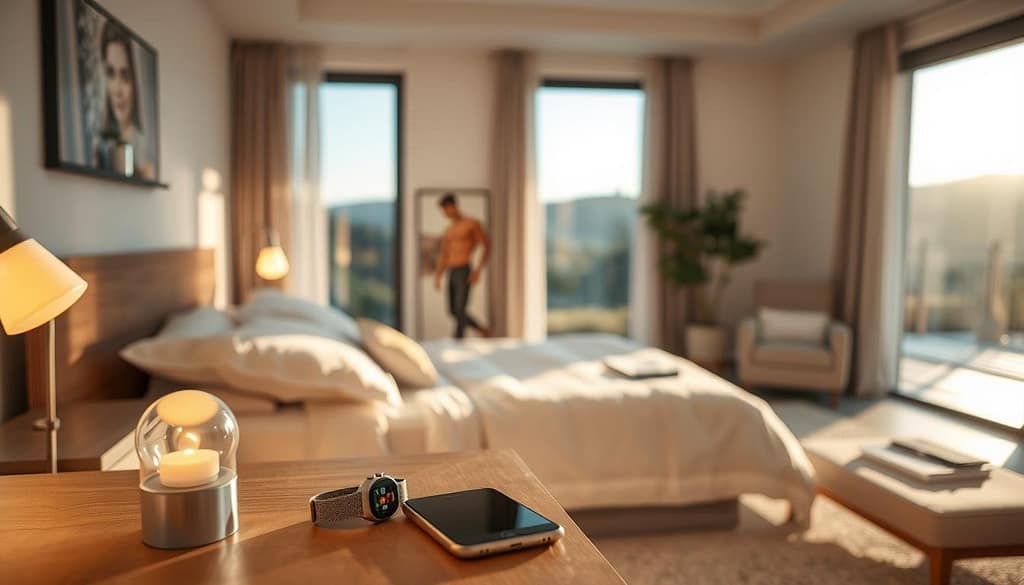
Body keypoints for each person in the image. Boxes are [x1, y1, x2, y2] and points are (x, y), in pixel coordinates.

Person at [94, 20, 155, 180]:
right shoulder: (101, 143)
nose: (118, 90)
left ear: (135, 82)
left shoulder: (143, 145)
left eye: (125, 76)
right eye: (111, 73)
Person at [433, 193, 491, 339]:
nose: (445, 213)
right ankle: (482, 329)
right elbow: (444, 254)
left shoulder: (471, 224)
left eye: (446, 209)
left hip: (464, 269)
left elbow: (486, 246)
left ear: (453, 206)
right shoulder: (449, 230)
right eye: (443, 211)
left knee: (460, 308)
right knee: (452, 310)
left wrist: (478, 270)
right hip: (451, 271)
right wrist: (438, 275)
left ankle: (458, 340)